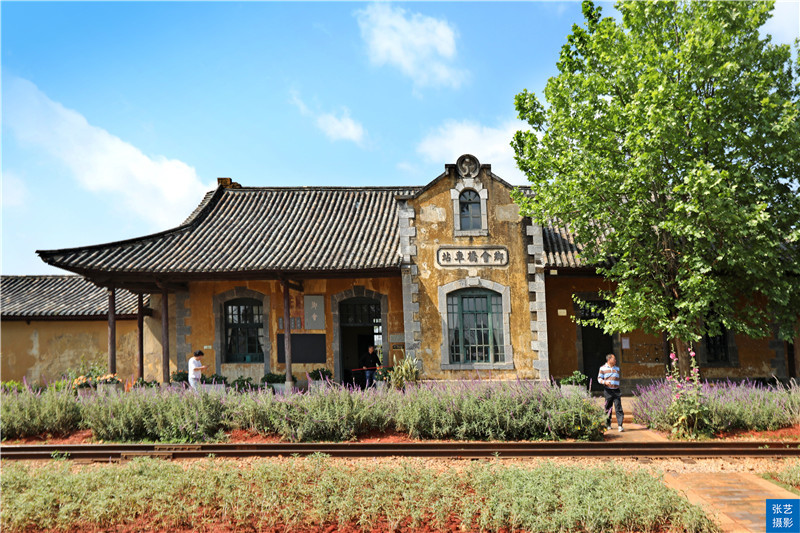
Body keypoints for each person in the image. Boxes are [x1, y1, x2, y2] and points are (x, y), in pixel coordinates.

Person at [598, 353, 623, 432]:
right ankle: (608, 424)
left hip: (616, 390)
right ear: (609, 359)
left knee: (618, 407)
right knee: (608, 408)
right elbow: (599, 379)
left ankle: (620, 425)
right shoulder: (602, 368)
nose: (615, 360)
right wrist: (605, 382)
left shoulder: (617, 368)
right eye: (614, 359)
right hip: (608, 390)